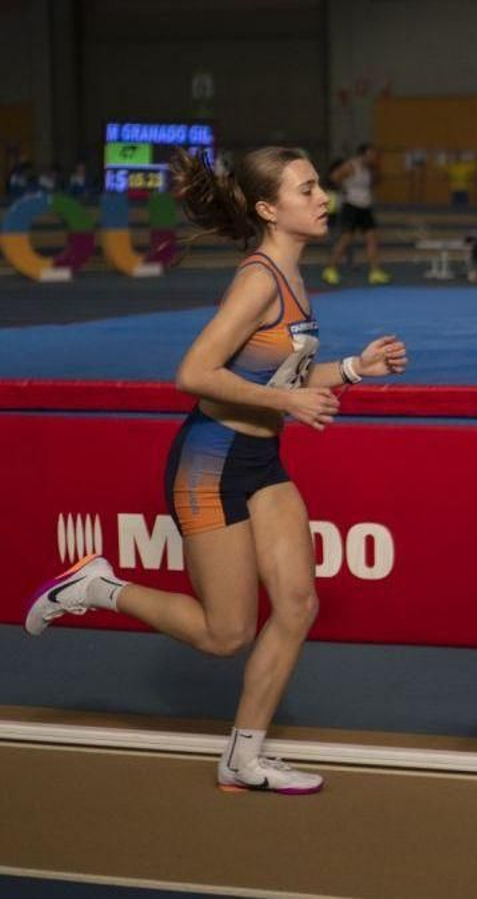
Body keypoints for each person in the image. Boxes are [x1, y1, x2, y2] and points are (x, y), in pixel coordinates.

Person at [24, 146, 409, 794]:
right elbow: (194, 373)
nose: (323, 198)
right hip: (210, 462)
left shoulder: (292, 275)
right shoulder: (259, 278)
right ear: (268, 208)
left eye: (320, 187)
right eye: (307, 189)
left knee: (297, 603)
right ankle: (95, 588)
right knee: (226, 632)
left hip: (260, 459)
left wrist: (351, 369)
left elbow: (275, 369)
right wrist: (288, 401)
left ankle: (244, 756)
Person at [321, 143, 389, 286]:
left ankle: (375, 272)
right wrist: (343, 189)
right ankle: (330, 270)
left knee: (371, 239)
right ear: (363, 154)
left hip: (365, 207)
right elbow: (333, 177)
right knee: (345, 239)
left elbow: (375, 184)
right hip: (351, 206)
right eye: (372, 154)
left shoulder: (369, 169)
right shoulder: (351, 166)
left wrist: (377, 170)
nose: (374, 157)